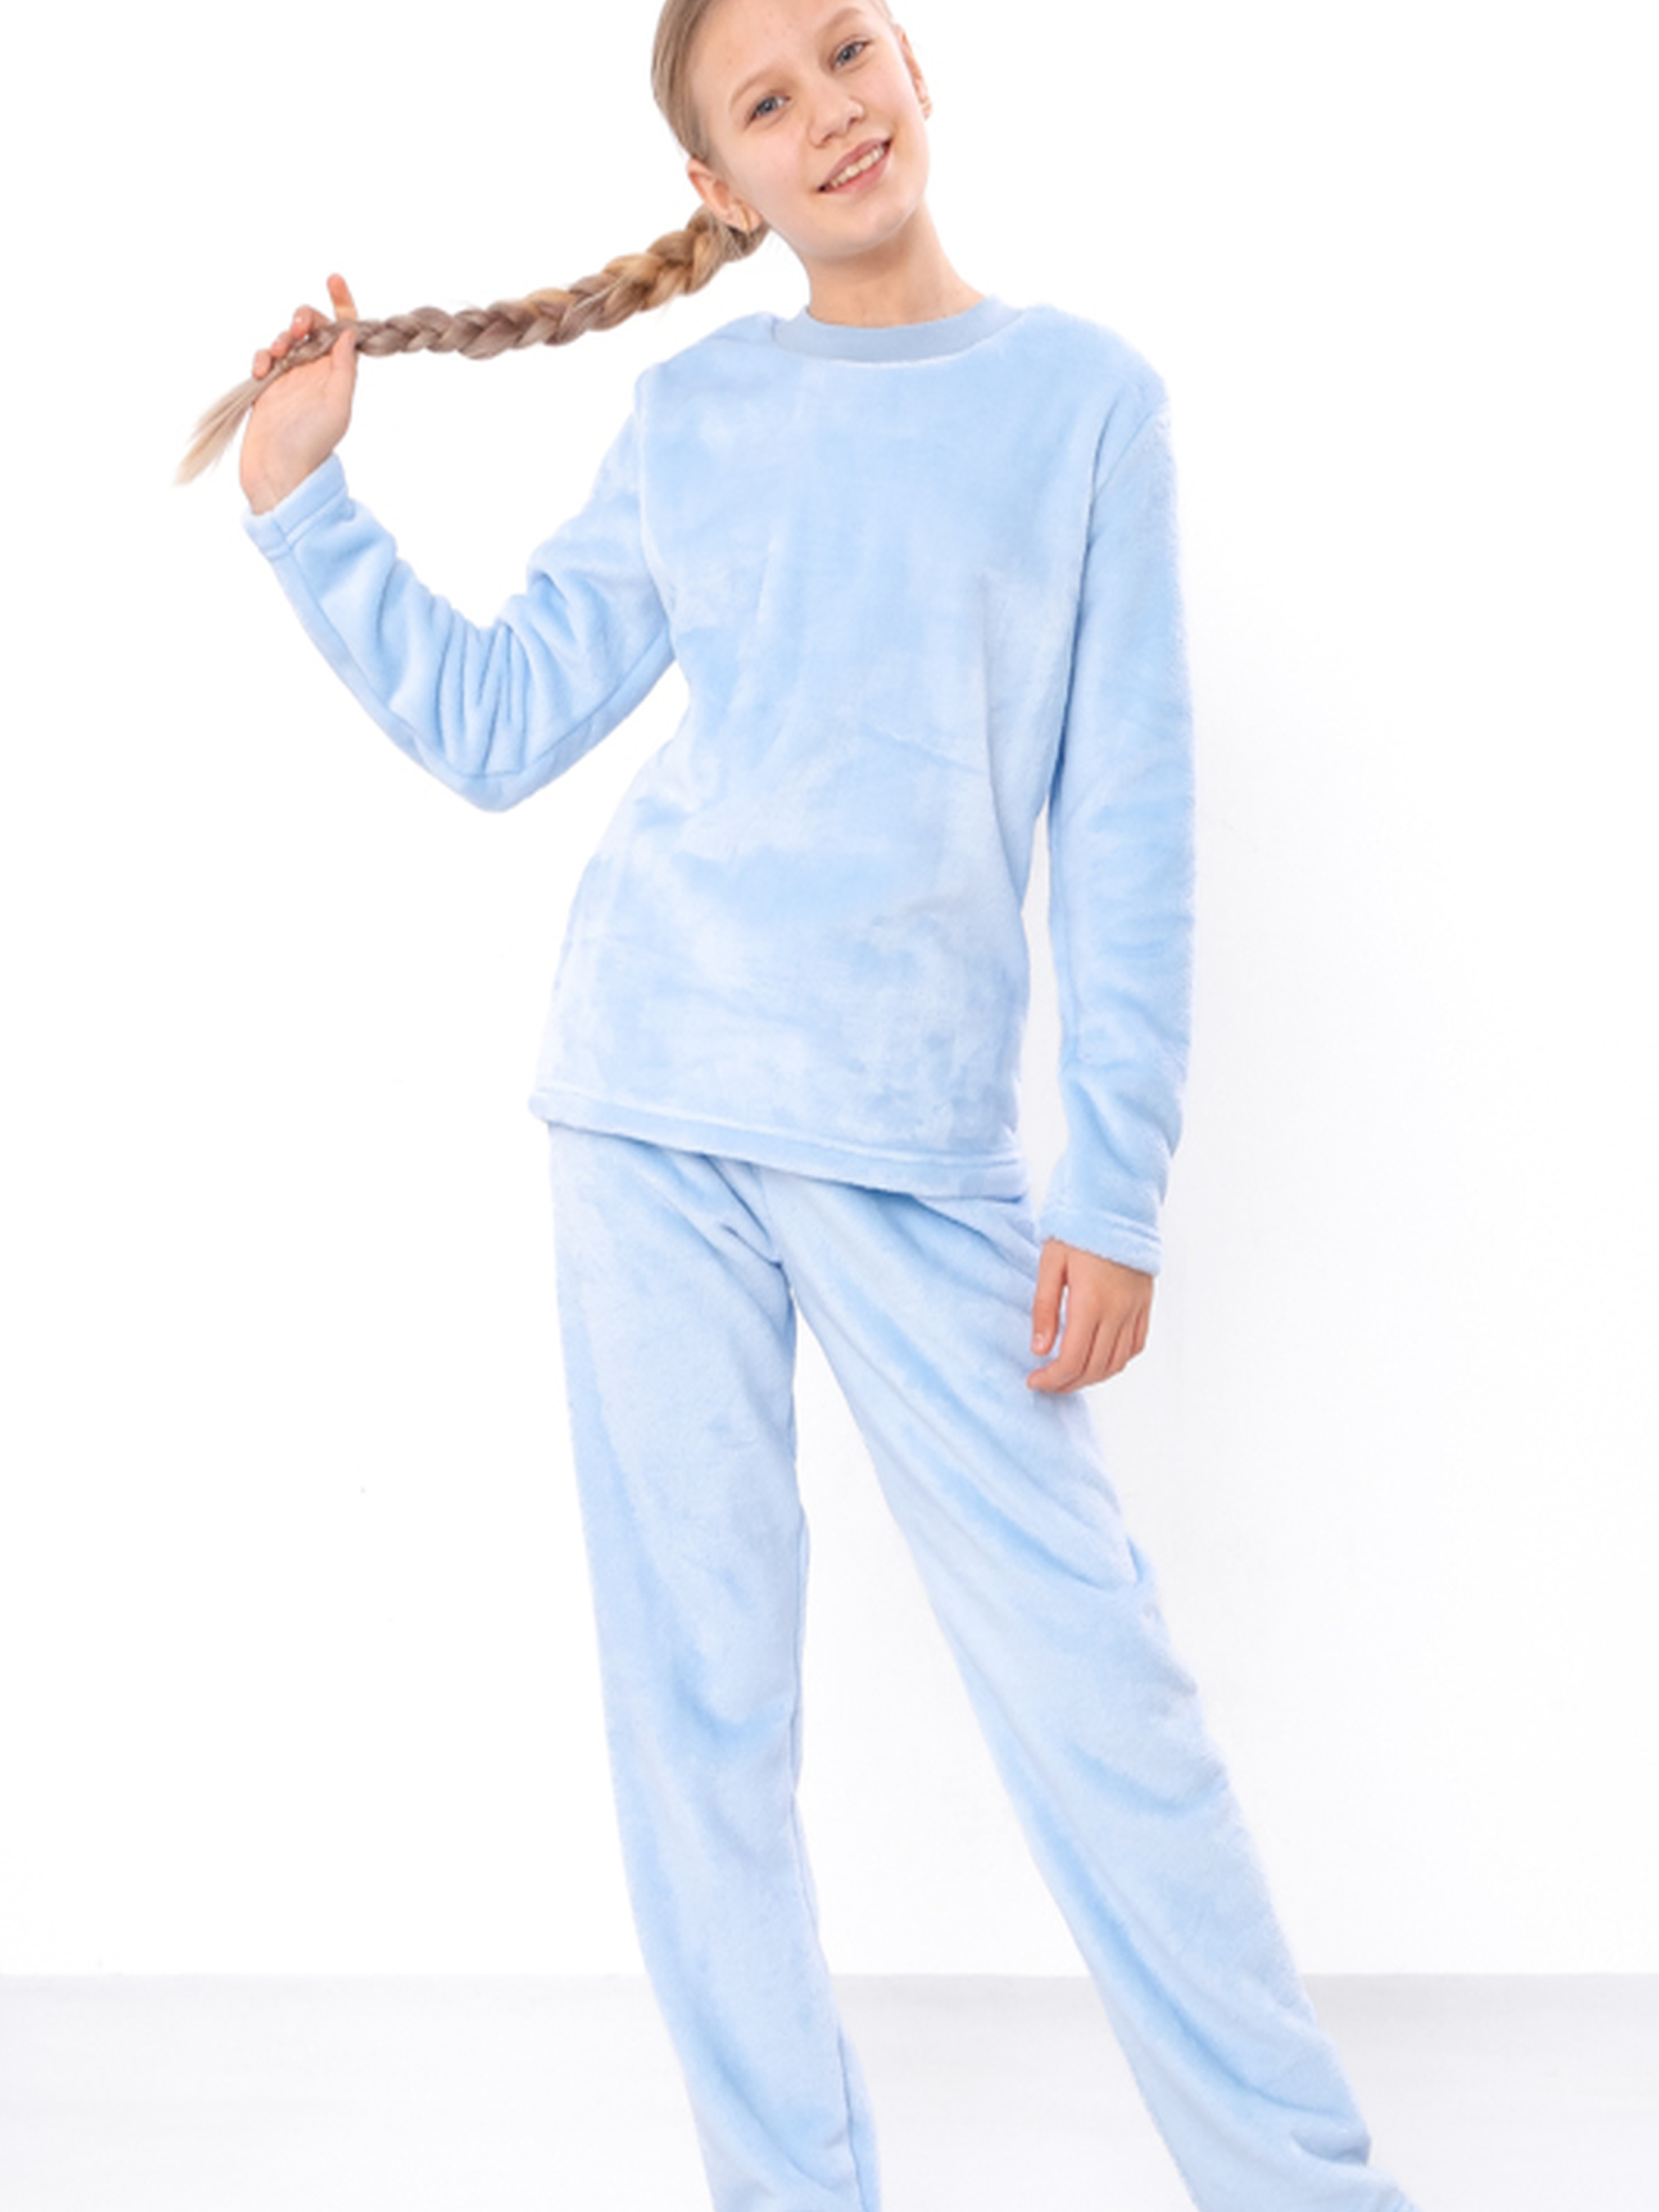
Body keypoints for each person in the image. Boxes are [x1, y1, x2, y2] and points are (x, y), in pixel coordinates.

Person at [188, 3, 1425, 2208]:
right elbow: (501, 724)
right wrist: (308, 500)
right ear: (717, 184)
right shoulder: (698, 415)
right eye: (766, 101)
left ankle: (1303, 2183)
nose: (829, 109)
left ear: (919, 65)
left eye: (848, 49)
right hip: (648, 1104)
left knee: (1101, 1699)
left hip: (923, 1154)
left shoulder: (1084, 404)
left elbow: (1124, 814)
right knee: (702, 1720)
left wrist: (1114, 1180)